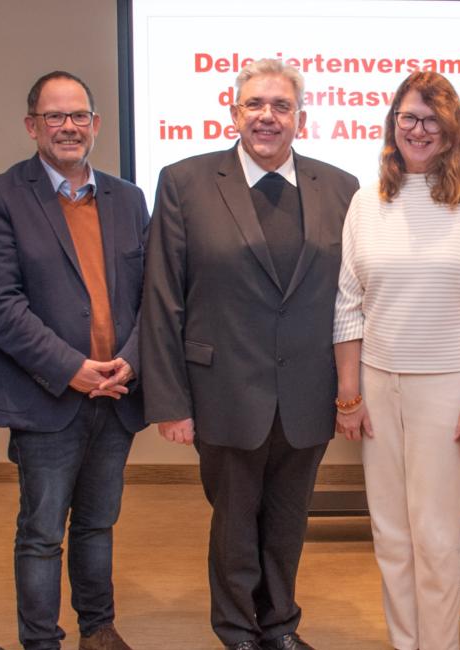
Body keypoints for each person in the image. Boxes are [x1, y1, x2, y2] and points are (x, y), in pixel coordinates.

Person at [141, 59, 358, 650]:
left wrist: (350, 390)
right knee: (235, 522)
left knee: (288, 521)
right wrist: (169, 400)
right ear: (234, 112)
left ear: (300, 117)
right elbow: (162, 298)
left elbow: (352, 298)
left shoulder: (340, 187)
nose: (268, 116)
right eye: (255, 105)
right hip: (222, 391)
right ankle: (237, 629)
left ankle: (280, 625)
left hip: (307, 394)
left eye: (281, 106)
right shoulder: (185, 181)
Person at [333, 70, 460, 650]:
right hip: (378, 386)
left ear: (452, 128)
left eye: (432, 119)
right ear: (393, 124)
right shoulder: (367, 201)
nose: (418, 129)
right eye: (408, 117)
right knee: (390, 535)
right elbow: (348, 307)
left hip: (451, 390)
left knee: (437, 539)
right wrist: (350, 396)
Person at [0, 71, 148, 650]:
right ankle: (41, 640)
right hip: (47, 397)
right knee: (43, 532)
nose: (68, 127)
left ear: (96, 124)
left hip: (116, 393)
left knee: (98, 526)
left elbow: (154, 294)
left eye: (79, 116)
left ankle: (98, 630)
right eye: (55, 117)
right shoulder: (0, 196)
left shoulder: (128, 197)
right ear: (32, 126)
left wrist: (131, 358)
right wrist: (71, 368)